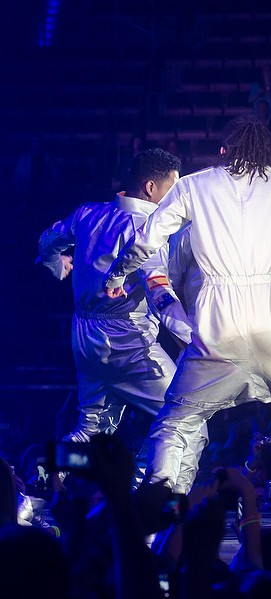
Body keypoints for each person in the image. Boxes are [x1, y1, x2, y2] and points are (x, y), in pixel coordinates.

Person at [103, 116, 271, 509]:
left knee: (176, 423)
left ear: (224, 151)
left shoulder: (193, 185)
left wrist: (117, 274)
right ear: (267, 153)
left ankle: (157, 510)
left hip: (218, 324)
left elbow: (147, 239)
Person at [36, 149, 205, 491]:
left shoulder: (88, 214)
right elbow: (159, 296)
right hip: (127, 341)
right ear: (151, 188)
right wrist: (198, 339)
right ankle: (149, 496)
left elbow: (47, 241)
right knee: (187, 420)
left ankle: (40, 484)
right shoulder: (146, 232)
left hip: (84, 334)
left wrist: (57, 266)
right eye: (172, 189)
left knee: (91, 429)